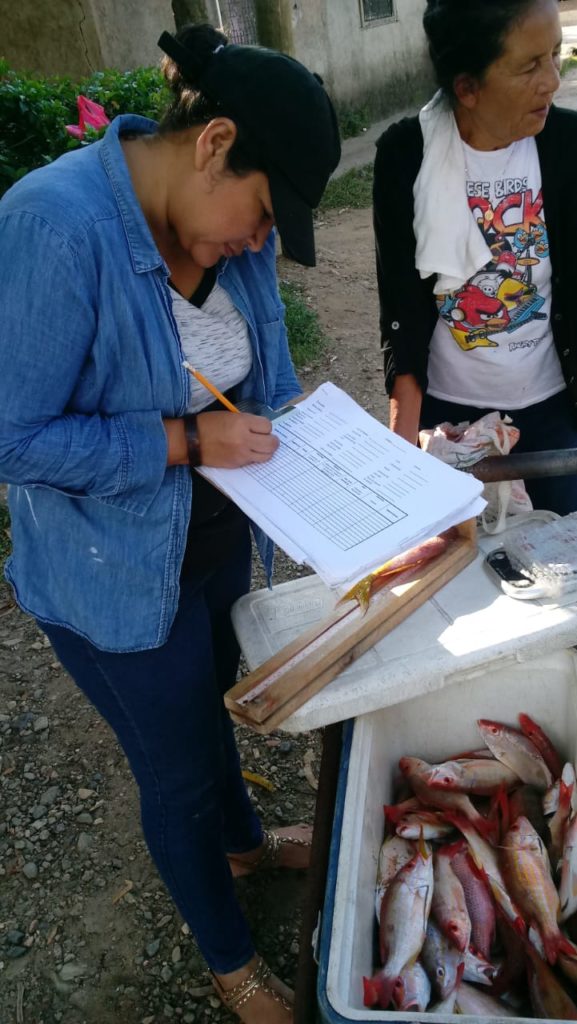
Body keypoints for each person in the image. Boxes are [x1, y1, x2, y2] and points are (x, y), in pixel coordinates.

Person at [0, 24, 340, 1024]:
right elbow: (14, 436)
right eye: (261, 212)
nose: (259, 241)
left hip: (216, 536)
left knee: (220, 702)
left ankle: (243, 843)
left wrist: (336, 477)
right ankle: (232, 961)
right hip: (111, 572)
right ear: (212, 141)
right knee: (179, 766)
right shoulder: (55, 225)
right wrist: (183, 443)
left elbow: (265, 388)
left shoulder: (231, 236)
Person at [374, 0, 577, 514]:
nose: (552, 80)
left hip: (556, 408)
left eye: (555, 55)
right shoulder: (407, 155)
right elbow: (402, 305)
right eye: (529, 65)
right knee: (464, 569)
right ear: (467, 87)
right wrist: (403, 448)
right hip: (451, 415)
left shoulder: (569, 144)